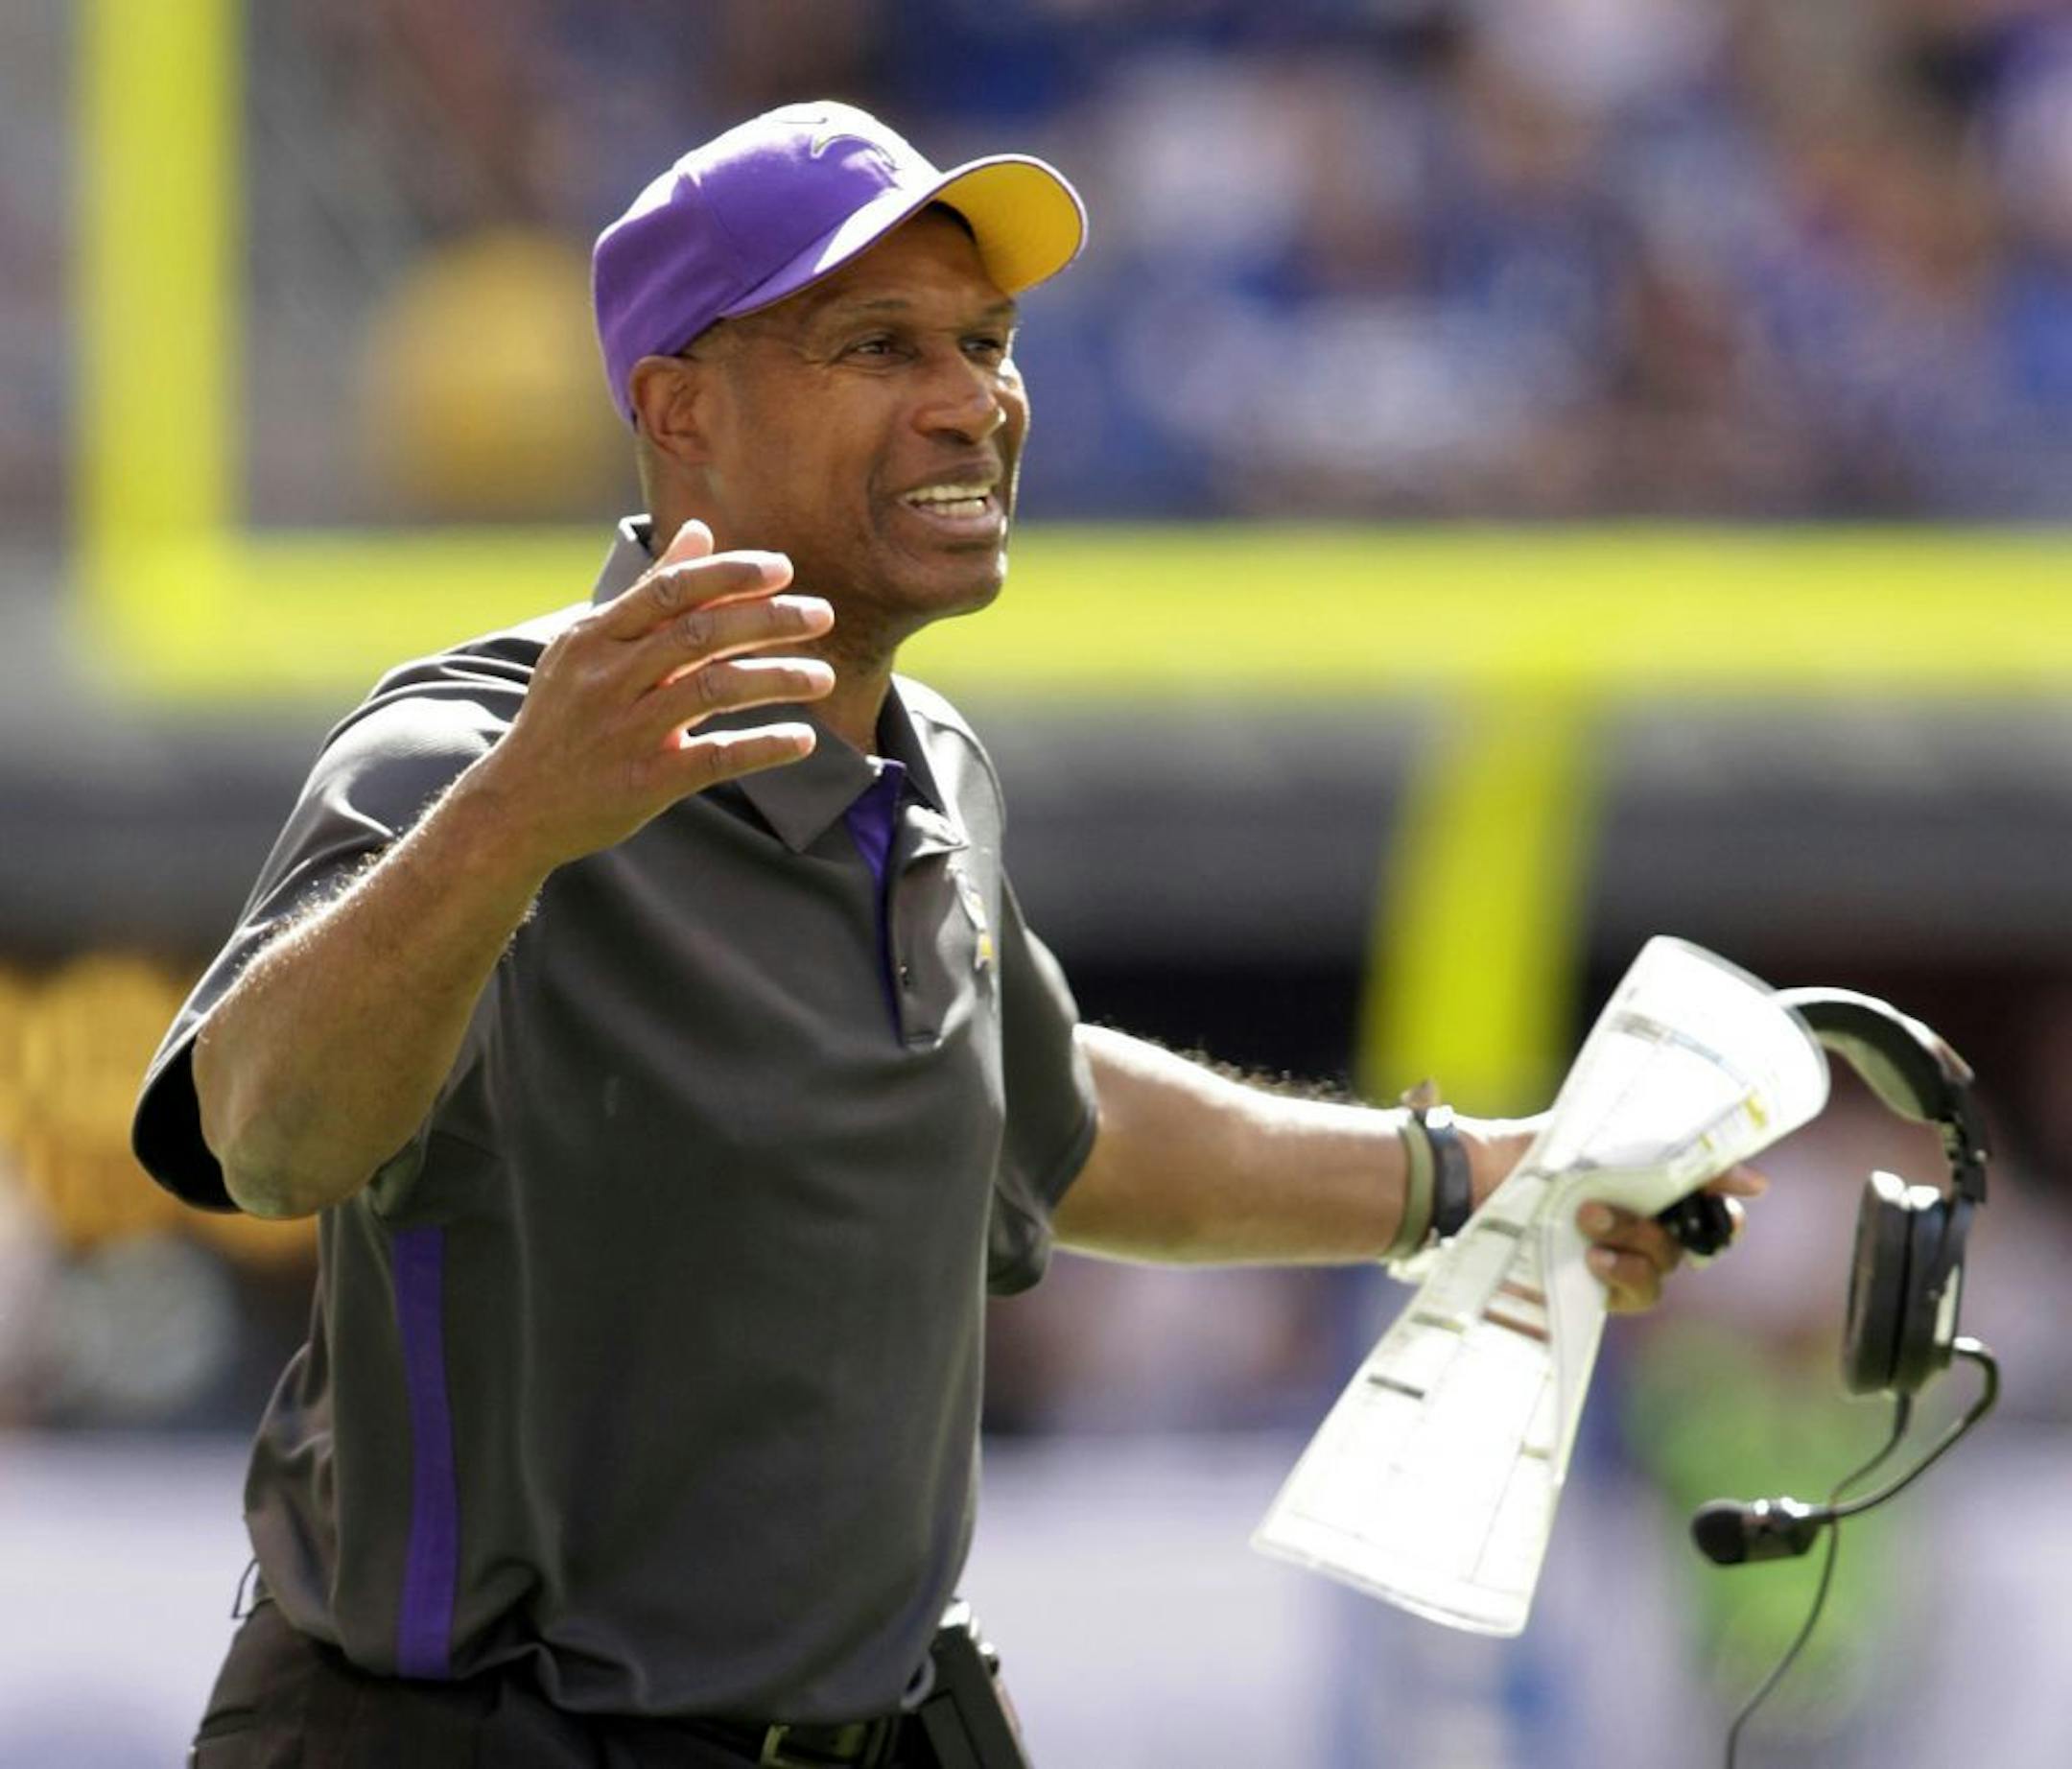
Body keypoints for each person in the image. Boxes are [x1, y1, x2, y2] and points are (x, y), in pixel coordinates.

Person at [133, 102, 1753, 1768]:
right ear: (681, 409)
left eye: (987, 341)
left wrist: (1481, 1177)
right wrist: (519, 821)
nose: (971, 399)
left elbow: (1049, 1125)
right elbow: (269, 1139)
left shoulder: (933, 769)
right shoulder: (467, 756)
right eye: (881, 344)